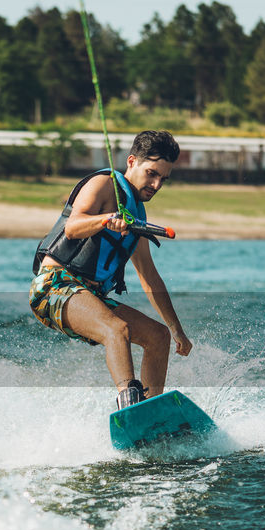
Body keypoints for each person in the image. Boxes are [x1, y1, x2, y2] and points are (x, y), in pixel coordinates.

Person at [30, 129, 193, 409]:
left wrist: (176, 329)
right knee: (116, 329)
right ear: (132, 162)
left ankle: (150, 412)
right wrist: (107, 219)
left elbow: (149, 277)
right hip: (54, 287)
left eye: (163, 179)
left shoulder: (136, 215)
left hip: (90, 296)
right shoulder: (103, 184)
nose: (156, 184)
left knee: (157, 337)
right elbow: (73, 227)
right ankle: (129, 402)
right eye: (151, 173)